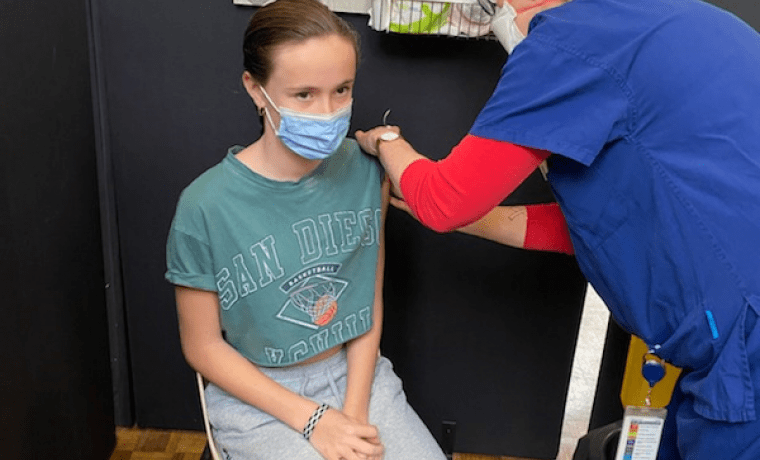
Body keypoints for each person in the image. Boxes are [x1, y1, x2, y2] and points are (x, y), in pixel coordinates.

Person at [355, 0, 760, 458]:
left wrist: (386, 143)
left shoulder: (566, 44)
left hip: (743, 345)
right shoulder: (687, 20)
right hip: (728, 342)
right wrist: (477, 217)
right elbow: (608, 226)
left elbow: (443, 201)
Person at [165, 1, 446, 459]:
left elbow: (364, 304)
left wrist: (353, 415)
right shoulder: (204, 206)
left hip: (359, 375)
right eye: (304, 95)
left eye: (342, 90)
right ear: (256, 90)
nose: (328, 111)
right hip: (258, 396)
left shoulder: (365, 173)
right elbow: (202, 347)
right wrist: (314, 420)